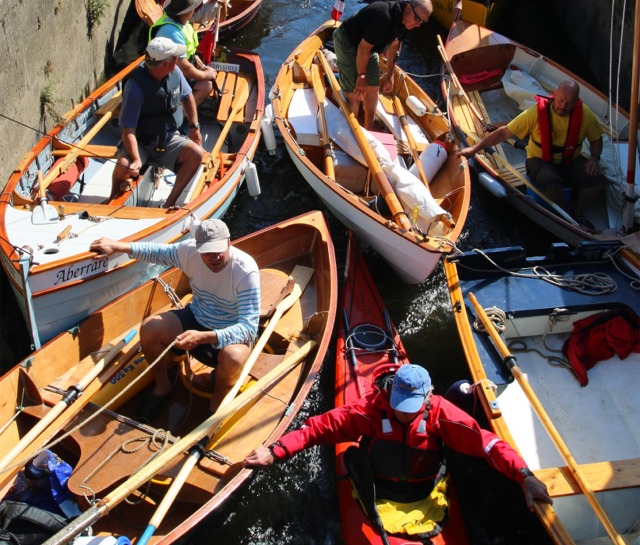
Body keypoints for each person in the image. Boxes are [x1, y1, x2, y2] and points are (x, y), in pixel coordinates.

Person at [243, 362, 552, 513]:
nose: (404, 413)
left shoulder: (441, 413)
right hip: (375, 494)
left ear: (429, 396)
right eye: (400, 406)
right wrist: (276, 451)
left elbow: (488, 444)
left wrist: (523, 475)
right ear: (390, 393)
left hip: (423, 495)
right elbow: (317, 429)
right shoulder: (370, 412)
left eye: (412, 408)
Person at [91, 219, 260, 420]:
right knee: (150, 327)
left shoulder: (245, 270)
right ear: (197, 248)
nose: (214, 257)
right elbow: (158, 252)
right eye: (207, 252)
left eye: (219, 250)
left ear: (229, 243)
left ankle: (216, 404)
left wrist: (204, 337)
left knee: (234, 357)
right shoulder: (188, 252)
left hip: (227, 332)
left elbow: (249, 328)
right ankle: (162, 386)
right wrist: (119, 246)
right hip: (196, 318)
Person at [457, 80, 605, 225]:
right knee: (551, 184)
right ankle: (567, 219)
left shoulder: (585, 114)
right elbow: (503, 133)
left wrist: (594, 158)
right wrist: (474, 149)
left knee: (597, 181)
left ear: (576, 101)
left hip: (570, 160)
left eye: (568, 103)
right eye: (560, 100)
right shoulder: (535, 113)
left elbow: (596, 140)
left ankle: (577, 213)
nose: (563, 106)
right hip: (540, 160)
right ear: (554, 95)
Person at [106, 36, 205, 209]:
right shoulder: (135, 87)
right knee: (124, 165)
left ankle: (169, 203)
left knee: (196, 154)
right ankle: (111, 200)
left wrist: (194, 126)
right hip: (141, 142)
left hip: (168, 138)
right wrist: (136, 159)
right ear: (165, 63)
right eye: (175, 57)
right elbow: (128, 129)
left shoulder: (176, 73)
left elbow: (187, 96)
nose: (178, 60)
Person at [331, 0, 433, 129]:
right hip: (348, 41)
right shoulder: (384, 17)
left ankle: (368, 129)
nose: (418, 24)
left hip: (370, 48)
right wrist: (361, 77)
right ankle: (353, 133)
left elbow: (394, 46)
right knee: (356, 92)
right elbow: (362, 49)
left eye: (422, 21)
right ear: (408, 8)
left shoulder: (406, 23)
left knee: (373, 88)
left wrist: (390, 76)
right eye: (417, 19)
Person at [150, 0, 219, 107]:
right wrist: (205, 75)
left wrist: (203, 67)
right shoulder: (172, 32)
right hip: (164, 80)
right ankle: (178, 117)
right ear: (189, 12)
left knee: (207, 82)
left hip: (175, 73)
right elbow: (184, 67)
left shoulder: (182, 23)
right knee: (207, 85)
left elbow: (192, 53)